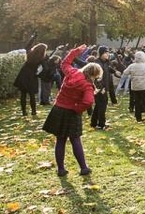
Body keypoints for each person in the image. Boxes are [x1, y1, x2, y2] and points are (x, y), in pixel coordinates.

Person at [42, 45, 102, 177]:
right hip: (72, 112)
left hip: (58, 109)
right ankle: (83, 168)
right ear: (94, 75)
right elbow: (88, 101)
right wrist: (77, 108)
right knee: (75, 139)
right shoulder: (87, 85)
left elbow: (65, 62)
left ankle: (61, 169)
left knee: (60, 140)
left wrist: (76, 51)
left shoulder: (72, 72)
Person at [121, 51, 145, 122]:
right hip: (144, 86)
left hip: (135, 86)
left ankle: (138, 117)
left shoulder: (132, 66)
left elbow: (125, 72)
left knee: (137, 102)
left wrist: (132, 76)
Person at [13, 33, 43, 116]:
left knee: (23, 94)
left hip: (23, 74)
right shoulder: (41, 58)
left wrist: (33, 37)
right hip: (32, 76)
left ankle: (24, 112)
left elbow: (27, 46)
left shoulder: (29, 53)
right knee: (32, 94)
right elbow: (47, 63)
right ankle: (33, 111)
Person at [91, 46, 117, 130]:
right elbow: (96, 77)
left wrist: (114, 71)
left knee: (98, 105)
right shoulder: (97, 63)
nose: (108, 54)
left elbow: (107, 69)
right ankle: (101, 124)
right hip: (99, 88)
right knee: (102, 106)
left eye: (108, 52)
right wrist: (101, 88)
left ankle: (93, 123)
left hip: (104, 87)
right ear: (101, 53)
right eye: (106, 53)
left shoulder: (105, 62)